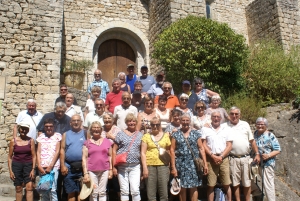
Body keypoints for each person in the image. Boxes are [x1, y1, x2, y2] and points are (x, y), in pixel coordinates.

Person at [223, 107, 260, 201]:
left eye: (236, 114)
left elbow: (252, 140)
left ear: (240, 115)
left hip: (245, 158)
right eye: (232, 114)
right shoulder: (224, 126)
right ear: (229, 114)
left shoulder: (245, 124)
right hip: (232, 158)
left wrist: (257, 153)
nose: (234, 116)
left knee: (247, 182)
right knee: (235, 183)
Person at [170, 114, 208, 201]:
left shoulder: (196, 133)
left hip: (193, 164)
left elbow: (201, 148)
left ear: (190, 121)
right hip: (181, 164)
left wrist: (205, 164)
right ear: (180, 121)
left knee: (194, 187)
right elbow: (172, 150)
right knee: (182, 187)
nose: (185, 122)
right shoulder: (176, 134)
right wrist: (173, 167)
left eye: (187, 120)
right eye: (183, 120)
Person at [201, 111, 233, 201]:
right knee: (211, 184)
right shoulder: (205, 129)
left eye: (218, 117)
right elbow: (203, 144)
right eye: (214, 116)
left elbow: (229, 145)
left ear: (221, 118)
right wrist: (212, 156)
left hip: (224, 159)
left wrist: (221, 156)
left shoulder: (226, 129)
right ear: (211, 118)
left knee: (226, 183)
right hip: (211, 159)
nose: (216, 118)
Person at [112, 113, 143, 201]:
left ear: (136, 122)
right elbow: (114, 150)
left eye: (133, 121)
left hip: (135, 166)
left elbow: (142, 151)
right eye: (129, 121)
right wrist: (114, 166)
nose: (131, 123)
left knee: (135, 190)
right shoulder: (120, 134)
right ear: (126, 122)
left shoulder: (140, 135)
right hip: (122, 166)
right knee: (124, 191)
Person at [141, 117, 171, 201]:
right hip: (150, 165)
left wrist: (169, 166)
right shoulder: (146, 136)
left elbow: (168, 151)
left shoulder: (165, 136)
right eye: (153, 125)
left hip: (163, 166)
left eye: (157, 124)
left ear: (160, 125)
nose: (155, 126)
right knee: (151, 194)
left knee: (164, 193)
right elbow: (143, 153)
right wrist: (145, 168)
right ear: (150, 125)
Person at [82, 121, 113, 201]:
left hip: (105, 170)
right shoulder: (87, 143)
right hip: (92, 170)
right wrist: (85, 173)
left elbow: (110, 156)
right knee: (94, 192)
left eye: (98, 128)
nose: (96, 129)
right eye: (94, 128)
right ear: (91, 130)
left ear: (101, 129)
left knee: (102, 191)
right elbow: (84, 158)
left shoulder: (107, 141)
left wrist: (111, 169)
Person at [60, 114, 86, 201]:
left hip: (82, 167)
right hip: (69, 167)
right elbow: (62, 150)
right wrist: (62, 165)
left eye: (78, 120)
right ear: (70, 123)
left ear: (81, 122)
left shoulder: (86, 133)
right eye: (74, 121)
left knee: (81, 193)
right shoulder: (65, 134)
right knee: (71, 193)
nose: (76, 122)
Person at [254, 117, 281, 201]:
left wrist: (268, 155)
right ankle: (257, 192)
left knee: (268, 184)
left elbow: (278, 149)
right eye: (258, 124)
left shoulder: (270, 135)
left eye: (262, 124)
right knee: (247, 177)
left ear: (266, 125)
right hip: (256, 161)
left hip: (267, 163)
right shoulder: (255, 133)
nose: (260, 126)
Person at [8, 122, 36, 201]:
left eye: (26, 129)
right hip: (16, 165)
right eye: (22, 128)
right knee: (18, 187)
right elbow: (10, 157)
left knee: (29, 187)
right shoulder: (13, 141)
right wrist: (10, 171)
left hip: (28, 165)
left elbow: (34, 156)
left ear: (28, 130)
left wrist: (33, 169)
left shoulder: (31, 140)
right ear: (19, 129)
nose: (24, 130)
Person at [36, 118, 62, 201]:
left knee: (53, 189)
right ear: (44, 127)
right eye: (46, 126)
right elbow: (38, 152)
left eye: (51, 126)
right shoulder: (41, 137)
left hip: (53, 167)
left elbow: (57, 151)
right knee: (44, 189)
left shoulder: (57, 136)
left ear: (54, 127)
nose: (49, 128)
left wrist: (50, 166)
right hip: (42, 167)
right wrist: (39, 165)